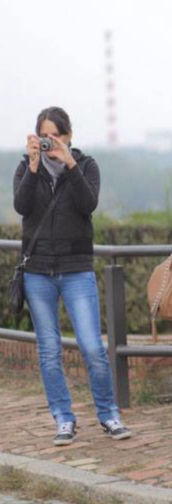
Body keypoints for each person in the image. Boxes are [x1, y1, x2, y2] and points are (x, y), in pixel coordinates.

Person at [13, 107, 131, 446]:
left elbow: (88, 204)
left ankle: (109, 414)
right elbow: (22, 207)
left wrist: (70, 164)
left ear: (68, 136)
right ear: (36, 137)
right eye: (45, 135)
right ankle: (63, 419)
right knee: (49, 350)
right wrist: (34, 166)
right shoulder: (25, 167)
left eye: (57, 135)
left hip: (76, 268)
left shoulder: (86, 165)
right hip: (38, 273)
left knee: (92, 347)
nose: (51, 141)